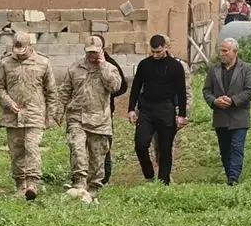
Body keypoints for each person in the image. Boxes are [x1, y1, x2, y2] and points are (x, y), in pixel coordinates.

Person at [0, 31, 58, 200]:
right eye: (16, 51)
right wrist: (7, 101)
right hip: (12, 114)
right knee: (16, 150)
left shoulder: (43, 63)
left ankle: (33, 183)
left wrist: (51, 115)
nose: (19, 55)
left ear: (30, 47)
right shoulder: (5, 63)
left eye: (23, 51)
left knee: (32, 146)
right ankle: (20, 184)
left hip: (35, 112)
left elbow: (51, 91)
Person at [57, 38, 123, 202]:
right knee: (77, 149)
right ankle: (79, 183)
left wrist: (102, 66)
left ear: (102, 50)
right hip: (77, 117)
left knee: (97, 155)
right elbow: (64, 91)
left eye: (95, 51)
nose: (91, 55)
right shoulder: (75, 68)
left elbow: (115, 87)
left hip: (99, 119)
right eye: (89, 51)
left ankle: (93, 186)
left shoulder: (110, 68)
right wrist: (58, 112)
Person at [127, 34, 188, 185]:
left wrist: (182, 115)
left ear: (165, 48)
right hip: (147, 109)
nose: (156, 55)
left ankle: (163, 181)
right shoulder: (144, 65)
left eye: (159, 52)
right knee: (140, 145)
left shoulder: (175, 66)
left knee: (165, 148)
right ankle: (149, 175)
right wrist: (131, 109)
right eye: (153, 52)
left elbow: (182, 92)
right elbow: (135, 88)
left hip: (166, 108)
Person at [203, 37, 251, 186]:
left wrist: (232, 100)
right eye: (221, 50)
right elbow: (207, 90)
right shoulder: (214, 69)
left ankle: (233, 178)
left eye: (225, 51)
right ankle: (229, 174)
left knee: (236, 147)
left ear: (235, 52)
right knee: (225, 149)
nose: (222, 54)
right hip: (220, 116)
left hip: (239, 116)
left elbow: (250, 91)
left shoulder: (246, 68)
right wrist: (214, 101)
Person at [89, 34, 127, 187]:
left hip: (105, 112)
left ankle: (105, 176)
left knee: (104, 144)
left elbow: (122, 86)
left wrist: (106, 93)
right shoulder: (83, 64)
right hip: (85, 112)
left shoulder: (110, 64)